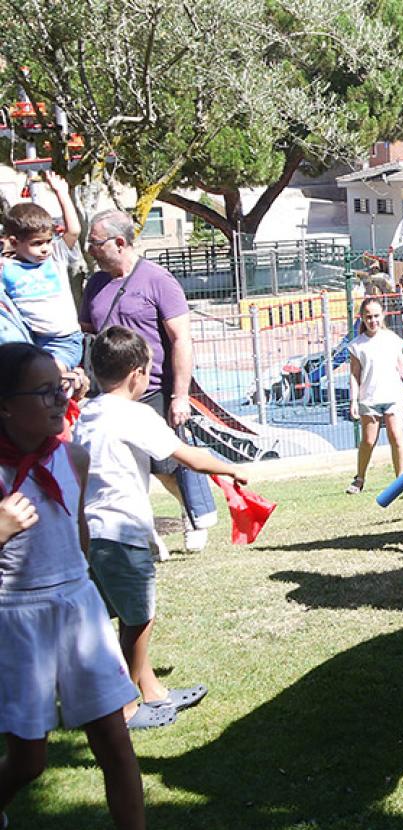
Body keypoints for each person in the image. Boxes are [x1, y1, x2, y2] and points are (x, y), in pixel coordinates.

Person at [0, 342, 193, 830]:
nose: (61, 399)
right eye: (44, 393)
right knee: (30, 759)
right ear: (5, 408)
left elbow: (78, 530)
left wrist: (84, 588)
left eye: (61, 387)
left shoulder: (72, 455)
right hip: (17, 617)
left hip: (76, 608)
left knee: (114, 741)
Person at [75, 328, 249, 730]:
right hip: (122, 533)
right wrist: (232, 469)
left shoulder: (88, 412)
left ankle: (152, 691)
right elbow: (186, 455)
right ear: (137, 374)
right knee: (139, 618)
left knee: (111, 616)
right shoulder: (133, 415)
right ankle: (125, 707)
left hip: (93, 534)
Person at [81, 209, 218, 554]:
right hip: (108, 392)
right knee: (121, 466)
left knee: (166, 464)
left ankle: (194, 512)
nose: (90, 249)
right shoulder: (94, 284)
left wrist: (180, 395)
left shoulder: (158, 280)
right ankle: (144, 534)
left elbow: (181, 339)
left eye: (95, 243)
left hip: (152, 387)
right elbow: (85, 334)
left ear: (119, 242)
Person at [1, 176, 82, 371]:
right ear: (14, 242)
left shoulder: (55, 258)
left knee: (46, 374)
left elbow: (74, 230)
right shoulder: (7, 268)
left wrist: (62, 193)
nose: (45, 248)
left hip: (65, 341)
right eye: (37, 244)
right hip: (33, 339)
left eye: (47, 241)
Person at [344, 297, 403, 495]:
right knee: (368, 441)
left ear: (383, 316)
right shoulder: (357, 345)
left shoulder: (393, 340)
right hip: (369, 398)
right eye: (368, 317)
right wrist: (353, 400)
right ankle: (360, 478)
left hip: (393, 396)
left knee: (397, 437)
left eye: (376, 316)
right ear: (362, 318)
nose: (372, 321)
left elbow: (402, 367)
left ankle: (401, 479)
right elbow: (355, 374)